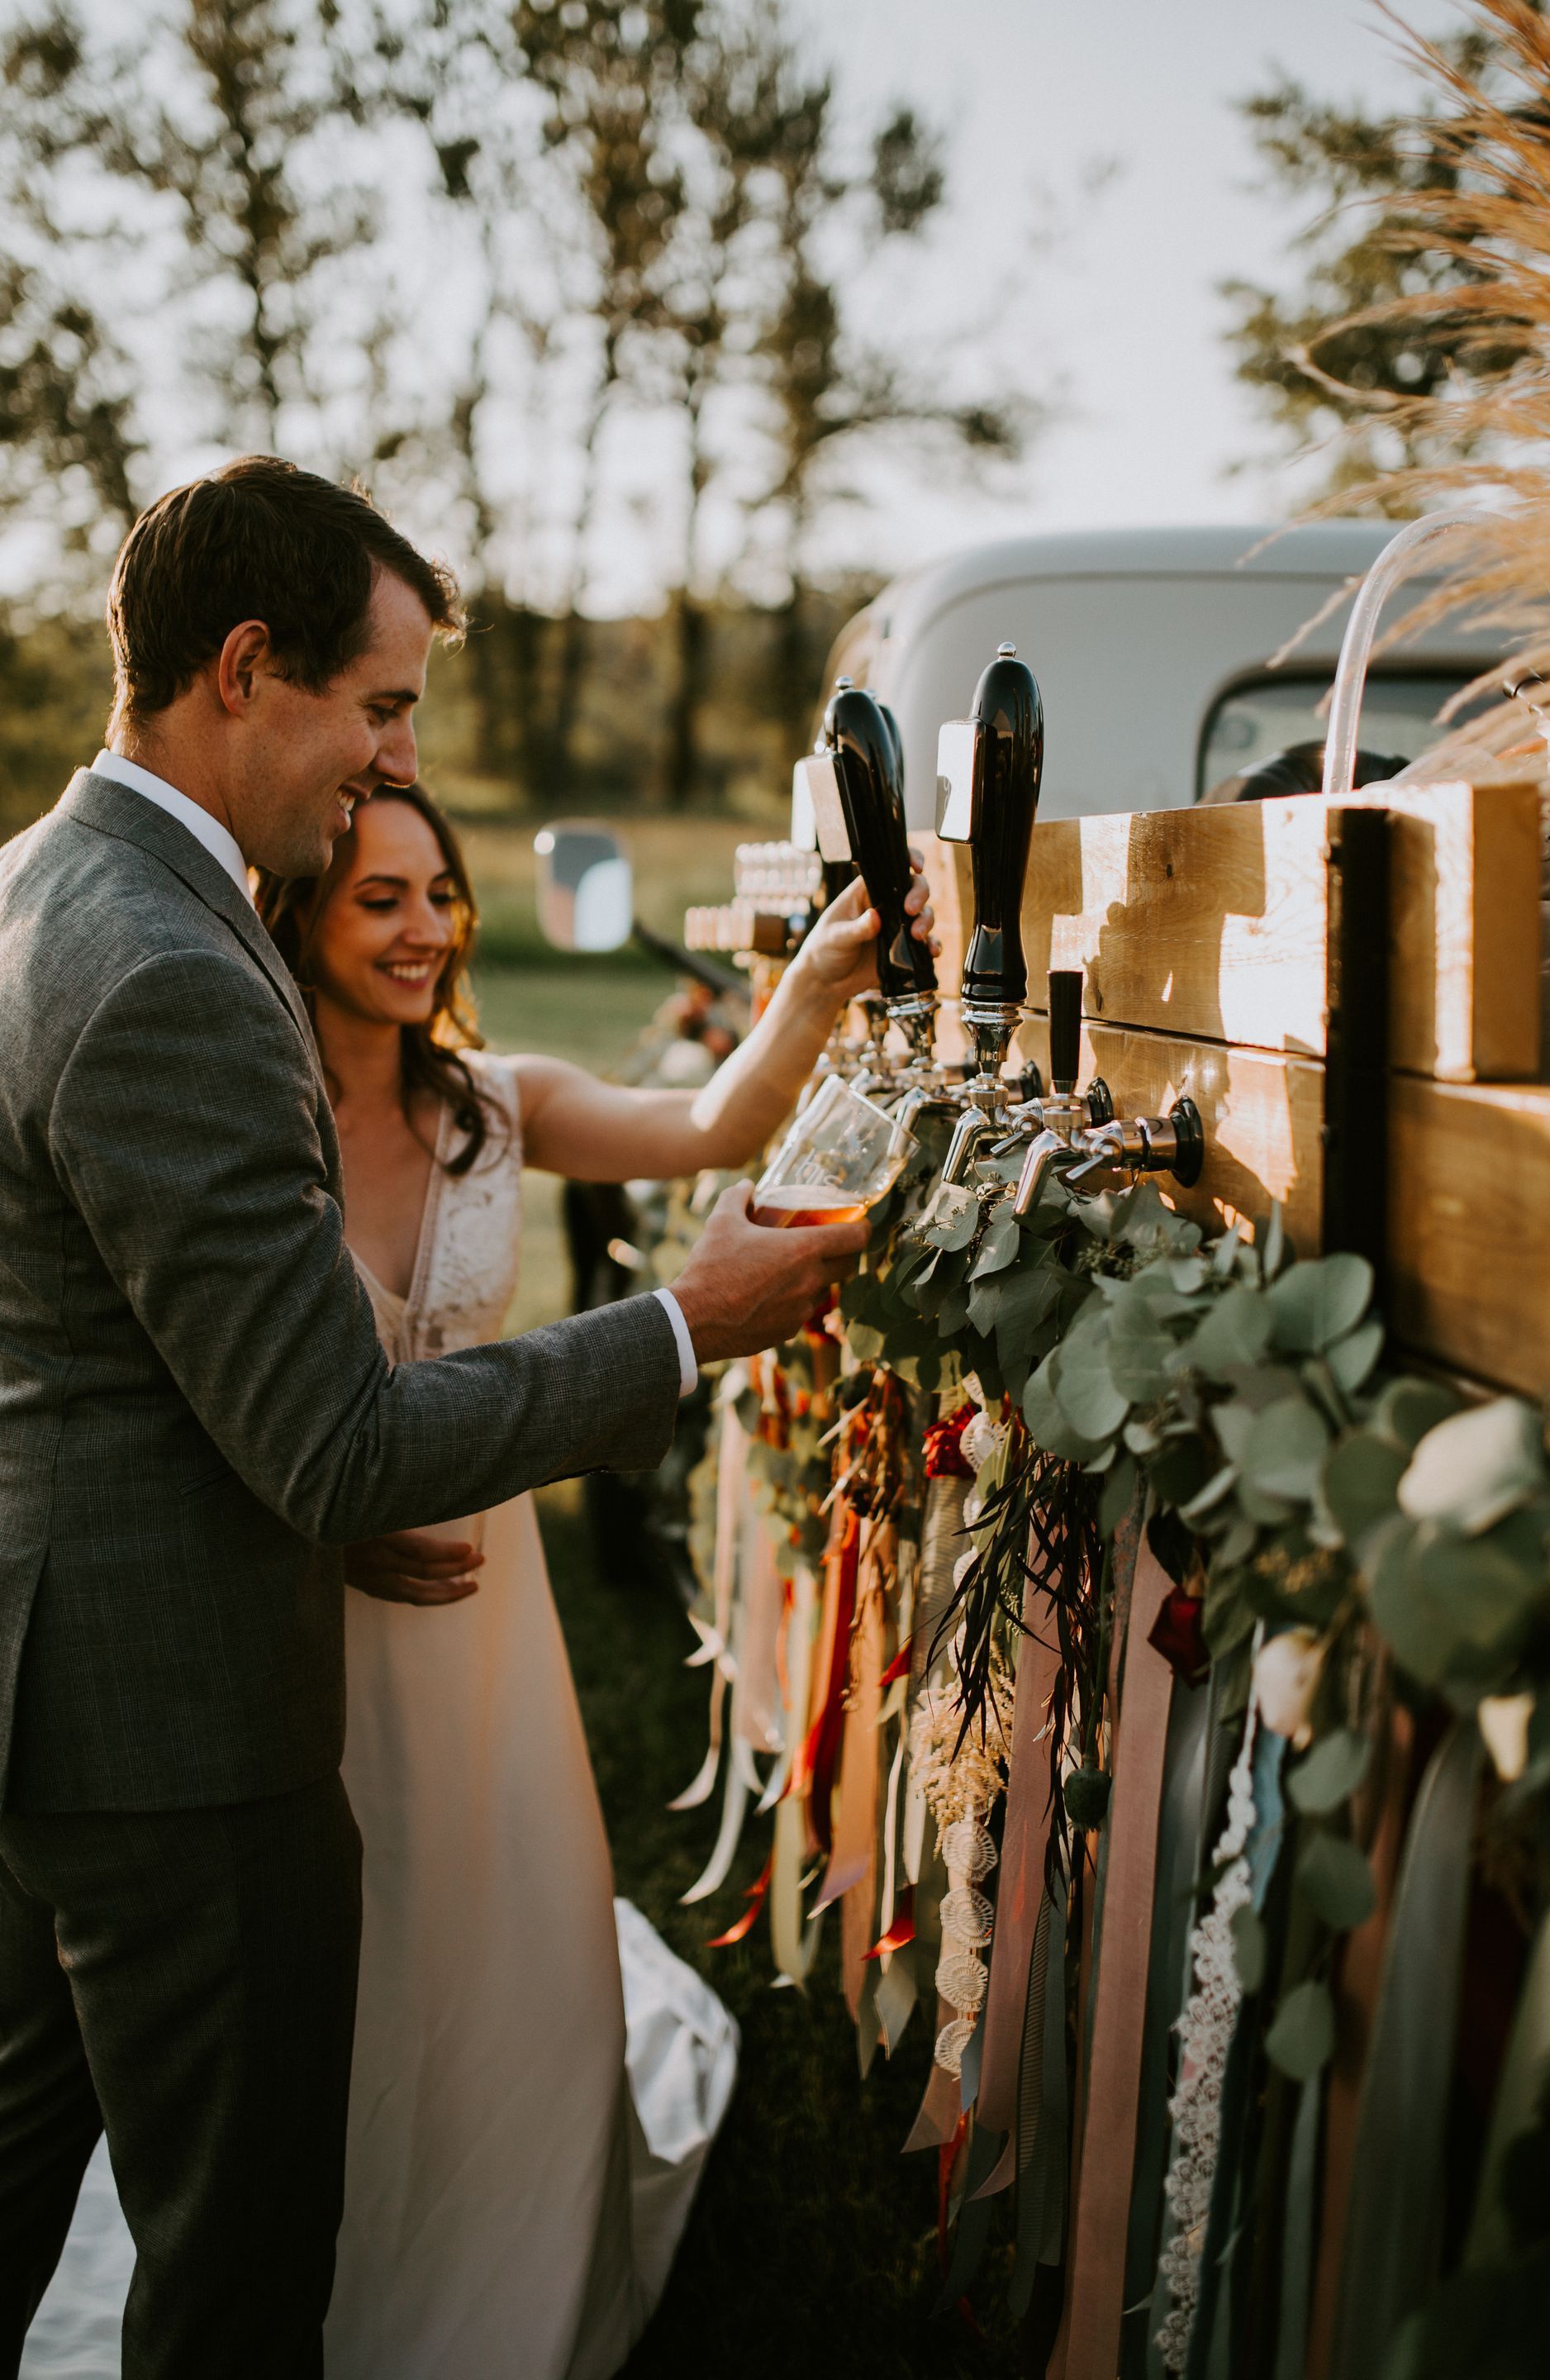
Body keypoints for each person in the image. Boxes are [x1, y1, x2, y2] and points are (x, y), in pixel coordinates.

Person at [0, 455, 870, 2380]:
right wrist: (685, 1322)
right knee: (236, 2266)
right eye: (381, 706)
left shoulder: (40, 892)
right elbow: (339, 1444)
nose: (393, 758)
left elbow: (82, 1332)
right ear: (248, 668)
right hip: (182, 1731)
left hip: (52, 1680)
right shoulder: (165, 968)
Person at [248, 783, 933, 2379]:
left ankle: (517, 2289)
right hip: (299, 1619)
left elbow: (713, 1133)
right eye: (378, 899)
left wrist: (819, 985)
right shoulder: (244, 1125)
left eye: (441, 895)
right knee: (327, 1981)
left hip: (487, 1620)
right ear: (298, 916)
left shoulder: (501, 1105)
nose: (424, 929)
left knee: (506, 1959)